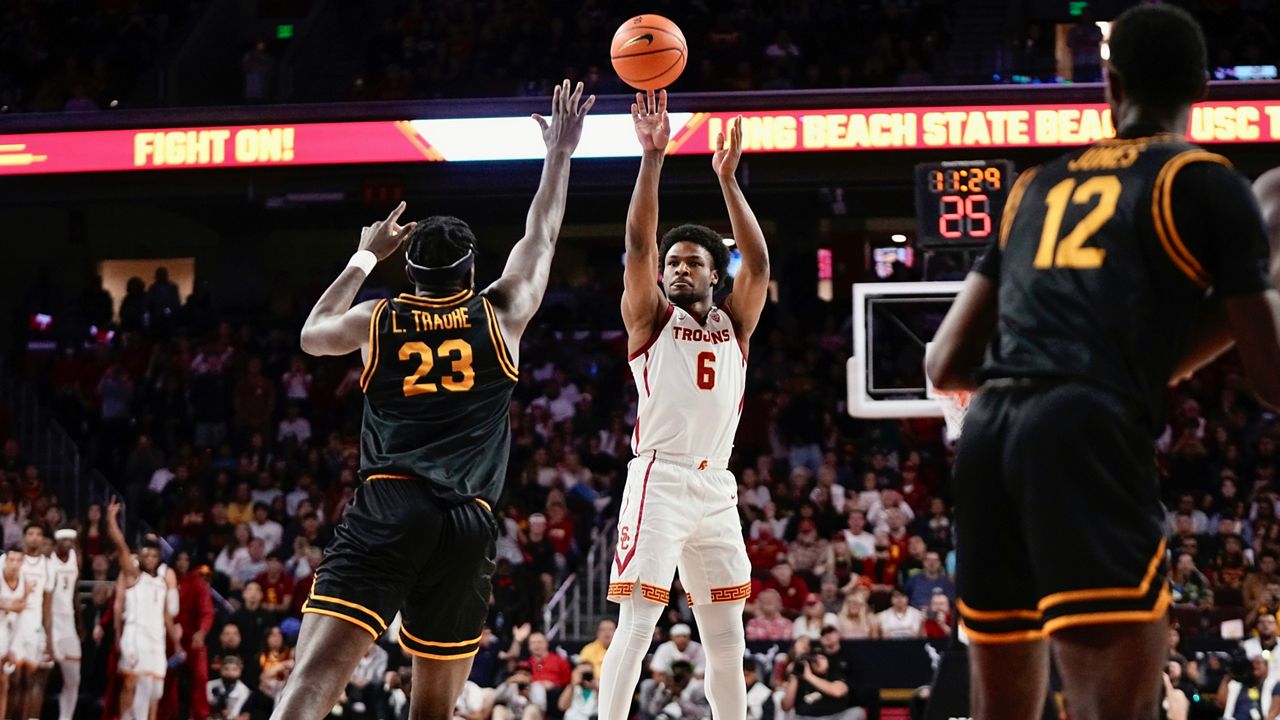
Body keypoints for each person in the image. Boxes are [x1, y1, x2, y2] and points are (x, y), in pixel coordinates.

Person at [926, 5, 1280, 719]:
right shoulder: (1205, 181)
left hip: (989, 435)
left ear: (1110, 86)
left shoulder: (1035, 184)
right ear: (1201, 92)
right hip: (1084, 431)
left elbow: (945, 363)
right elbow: (1272, 382)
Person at [274, 80, 594, 720]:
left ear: (410, 271)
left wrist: (364, 256)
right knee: (433, 712)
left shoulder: (377, 318)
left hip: (390, 504)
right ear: (473, 272)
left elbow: (311, 334)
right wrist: (559, 152)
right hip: (467, 522)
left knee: (310, 687)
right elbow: (543, 234)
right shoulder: (502, 312)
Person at [599, 90, 770, 720]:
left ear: (713, 276)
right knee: (637, 625)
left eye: (692, 262)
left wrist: (728, 180)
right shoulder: (648, 319)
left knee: (727, 637)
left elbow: (759, 260)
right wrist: (653, 159)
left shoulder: (737, 324)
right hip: (660, 479)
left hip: (716, 486)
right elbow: (639, 244)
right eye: (673, 262)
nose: (676, 268)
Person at [108, 499, 181, 720]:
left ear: (159, 558)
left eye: (154, 555)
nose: (150, 558)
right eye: (146, 554)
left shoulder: (162, 581)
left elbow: (166, 615)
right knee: (131, 682)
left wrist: (176, 643)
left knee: (154, 691)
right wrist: (111, 519)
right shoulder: (132, 576)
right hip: (135, 637)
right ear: (140, 555)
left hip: (156, 640)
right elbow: (121, 545)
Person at [10, 523, 52, 720]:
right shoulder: (10, 560)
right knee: (12, 679)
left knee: (30, 680)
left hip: (34, 628)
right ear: (24, 537)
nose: (35, 538)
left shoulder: (48, 565)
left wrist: (49, 637)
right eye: (31, 533)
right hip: (11, 627)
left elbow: (47, 604)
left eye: (39, 534)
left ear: (43, 539)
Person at [48, 527, 81, 720]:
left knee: (73, 678)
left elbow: (75, 592)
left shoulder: (75, 558)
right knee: (41, 677)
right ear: (57, 542)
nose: (69, 544)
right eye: (65, 541)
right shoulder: (48, 560)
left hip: (68, 623)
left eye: (71, 541)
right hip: (50, 622)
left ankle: (65, 717)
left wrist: (80, 621)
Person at [780, 650, 864, 720]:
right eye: (815, 658)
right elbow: (786, 706)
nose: (817, 660)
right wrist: (794, 676)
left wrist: (809, 676)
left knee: (858, 712)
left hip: (835, 717)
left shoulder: (835, 675)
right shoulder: (802, 678)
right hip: (806, 718)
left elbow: (837, 692)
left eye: (822, 658)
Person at [207, 655, 254, 720]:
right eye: (226, 669)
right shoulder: (209, 685)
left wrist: (231, 715)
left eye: (234, 669)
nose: (230, 672)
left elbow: (246, 715)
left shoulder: (245, 691)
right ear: (221, 669)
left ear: (240, 671)